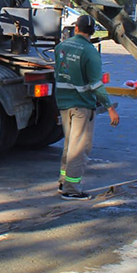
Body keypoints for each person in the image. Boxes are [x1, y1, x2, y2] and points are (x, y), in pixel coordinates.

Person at [54, 14, 119, 200]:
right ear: (92, 32)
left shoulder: (61, 47)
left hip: (64, 103)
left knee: (69, 144)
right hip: (81, 104)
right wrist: (109, 107)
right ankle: (71, 190)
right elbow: (96, 85)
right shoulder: (90, 52)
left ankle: (63, 181)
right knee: (80, 147)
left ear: (76, 28)